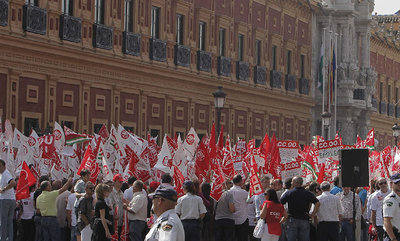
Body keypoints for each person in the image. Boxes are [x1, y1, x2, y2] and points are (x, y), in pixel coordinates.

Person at [280, 176, 320, 241]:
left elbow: (280, 204)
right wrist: (312, 214)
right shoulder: (307, 193)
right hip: (304, 219)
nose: (291, 183)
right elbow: (317, 203)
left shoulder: (289, 193)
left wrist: (285, 214)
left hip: (292, 219)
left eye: (292, 181)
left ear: (296, 182)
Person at [36, 176, 73, 241]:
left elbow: (38, 211)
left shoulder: (38, 197)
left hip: (43, 219)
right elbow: (63, 189)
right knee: (55, 238)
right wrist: (69, 181)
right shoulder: (51, 194)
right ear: (47, 187)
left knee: (46, 238)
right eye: (50, 185)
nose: (51, 187)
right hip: (52, 220)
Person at [0, 159, 16, 241]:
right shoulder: (4, 174)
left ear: (3, 166)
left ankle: (3, 238)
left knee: (3, 222)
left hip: (5, 200)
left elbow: (13, 183)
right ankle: (9, 238)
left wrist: (4, 189)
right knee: (9, 222)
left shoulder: (6, 174)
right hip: (10, 199)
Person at [230, 174, 249, 241]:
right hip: (242, 219)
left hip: (232, 219)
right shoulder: (243, 192)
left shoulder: (229, 192)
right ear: (240, 181)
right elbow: (251, 200)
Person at [383, 173, 400, 241]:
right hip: (394, 236)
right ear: (391, 184)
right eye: (396, 183)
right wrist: (393, 238)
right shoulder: (390, 199)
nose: (399, 184)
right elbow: (387, 220)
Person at [108, 174, 125, 240]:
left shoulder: (121, 193)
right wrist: (113, 216)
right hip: (113, 222)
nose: (121, 183)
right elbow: (109, 207)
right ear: (114, 182)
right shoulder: (111, 193)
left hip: (120, 221)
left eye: (121, 182)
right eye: (119, 182)